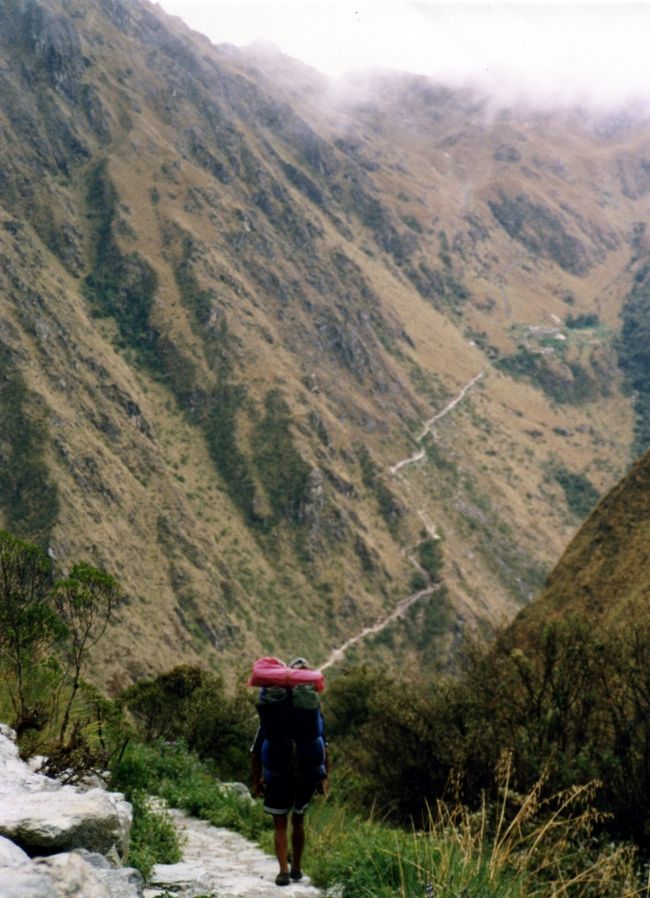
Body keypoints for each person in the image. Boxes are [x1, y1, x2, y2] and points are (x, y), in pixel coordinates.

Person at [251, 657, 328, 886]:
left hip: (277, 770)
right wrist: (323, 777)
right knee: (299, 819)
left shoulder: (274, 714)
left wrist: (256, 781)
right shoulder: (312, 712)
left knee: (280, 823)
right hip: (307, 769)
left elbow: (255, 751)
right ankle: (297, 868)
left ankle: (283, 870)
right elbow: (323, 745)